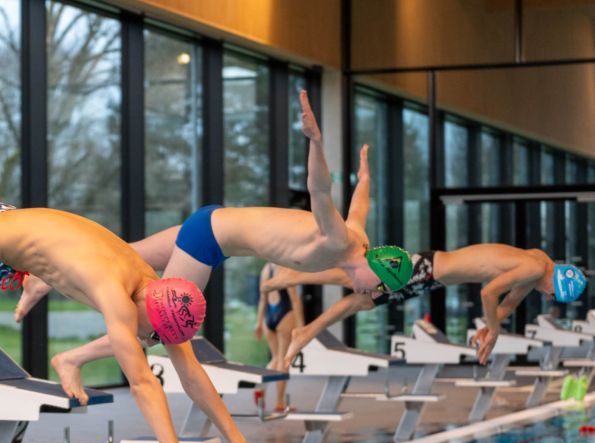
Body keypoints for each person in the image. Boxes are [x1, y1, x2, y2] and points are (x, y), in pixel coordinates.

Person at [15, 90, 394, 400]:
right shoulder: (339, 239)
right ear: (374, 270)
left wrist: (364, 174)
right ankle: (73, 358)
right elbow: (320, 190)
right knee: (159, 325)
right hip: (212, 241)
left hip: (208, 223)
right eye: (375, 289)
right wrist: (315, 141)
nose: (365, 295)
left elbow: (361, 202)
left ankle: (42, 279)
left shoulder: (358, 238)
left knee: (120, 257)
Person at [0, 206, 269, 443]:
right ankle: (35, 280)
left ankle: (36, 281)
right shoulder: (115, 292)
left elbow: (193, 375)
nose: (153, 342)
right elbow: (142, 383)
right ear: (147, 310)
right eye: (155, 335)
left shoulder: (155, 290)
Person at [260, 245, 587, 366]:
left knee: (363, 301)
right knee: (357, 284)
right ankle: (293, 277)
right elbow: (489, 295)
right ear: (557, 283)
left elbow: (507, 304)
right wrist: (495, 329)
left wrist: (492, 327)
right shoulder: (533, 270)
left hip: (433, 277)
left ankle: (306, 330)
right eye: (554, 294)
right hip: (430, 269)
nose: (548, 298)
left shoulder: (538, 265)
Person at [255, 263, 304, 412]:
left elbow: (263, 298)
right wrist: (301, 326)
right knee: (283, 360)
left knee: (275, 358)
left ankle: (260, 389)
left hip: (269, 315)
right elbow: (294, 300)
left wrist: (259, 323)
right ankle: (280, 403)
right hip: (284, 313)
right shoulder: (287, 268)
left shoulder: (266, 269)